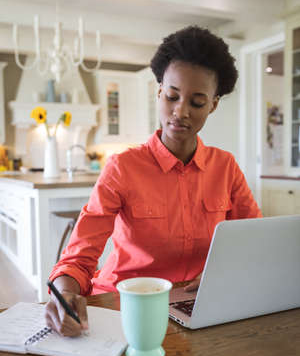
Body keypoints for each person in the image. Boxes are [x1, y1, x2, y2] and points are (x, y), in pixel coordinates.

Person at [45, 25, 262, 336]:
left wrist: (229, 271)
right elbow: (78, 257)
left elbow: (254, 241)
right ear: (159, 91)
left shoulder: (225, 166)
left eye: (197, 103)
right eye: (172, 96)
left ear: (214, 104)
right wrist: (65, 293)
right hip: (123, 306)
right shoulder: (123, 167)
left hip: (197, 308)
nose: (180, 112)